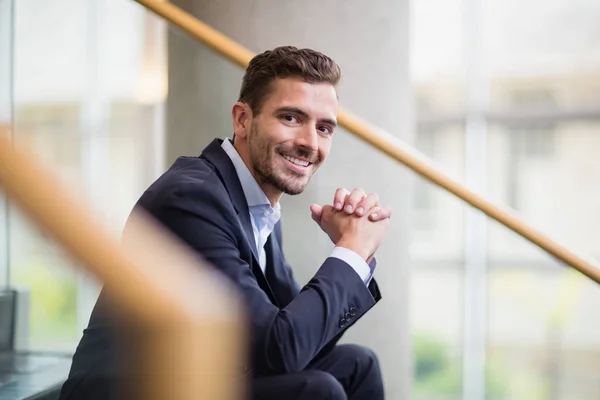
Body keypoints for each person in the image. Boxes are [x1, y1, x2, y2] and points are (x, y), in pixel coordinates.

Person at [59, 46, 392, 400]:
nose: (310, 142)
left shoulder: (257, 204)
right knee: (316, 391)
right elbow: (280, 349)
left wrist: (357, 255)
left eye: (324, 128)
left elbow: (299, 340)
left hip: (195, 380)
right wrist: (351, 251)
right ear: (243, 120)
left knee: (358, 365)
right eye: (291, 118)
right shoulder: (192, 199)